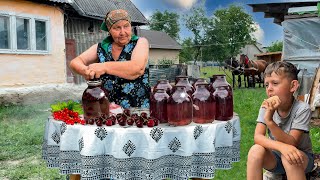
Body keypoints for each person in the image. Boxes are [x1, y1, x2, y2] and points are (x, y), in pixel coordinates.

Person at [70, 9, 150, 109]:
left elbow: (137, 68)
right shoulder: (101, 47)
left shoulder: (140, 42)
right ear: (109, 30)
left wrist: (103, 67)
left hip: (138, 111)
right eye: (117, 28)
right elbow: (75, 62)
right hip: (107, 111)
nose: (122, 32)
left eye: (126, 26)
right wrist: (86, 71)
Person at [247, 61, 314, 180]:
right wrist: (281, 147)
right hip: (276, 157)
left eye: (275, 83)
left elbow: (292, 143)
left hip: (302, 159)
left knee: (289, 157)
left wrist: (270, 121)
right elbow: (258, 137)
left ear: (293, 86)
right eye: (266, 85)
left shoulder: (302, 109)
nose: (269, 89)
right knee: (255, 150)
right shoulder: (266, 107)